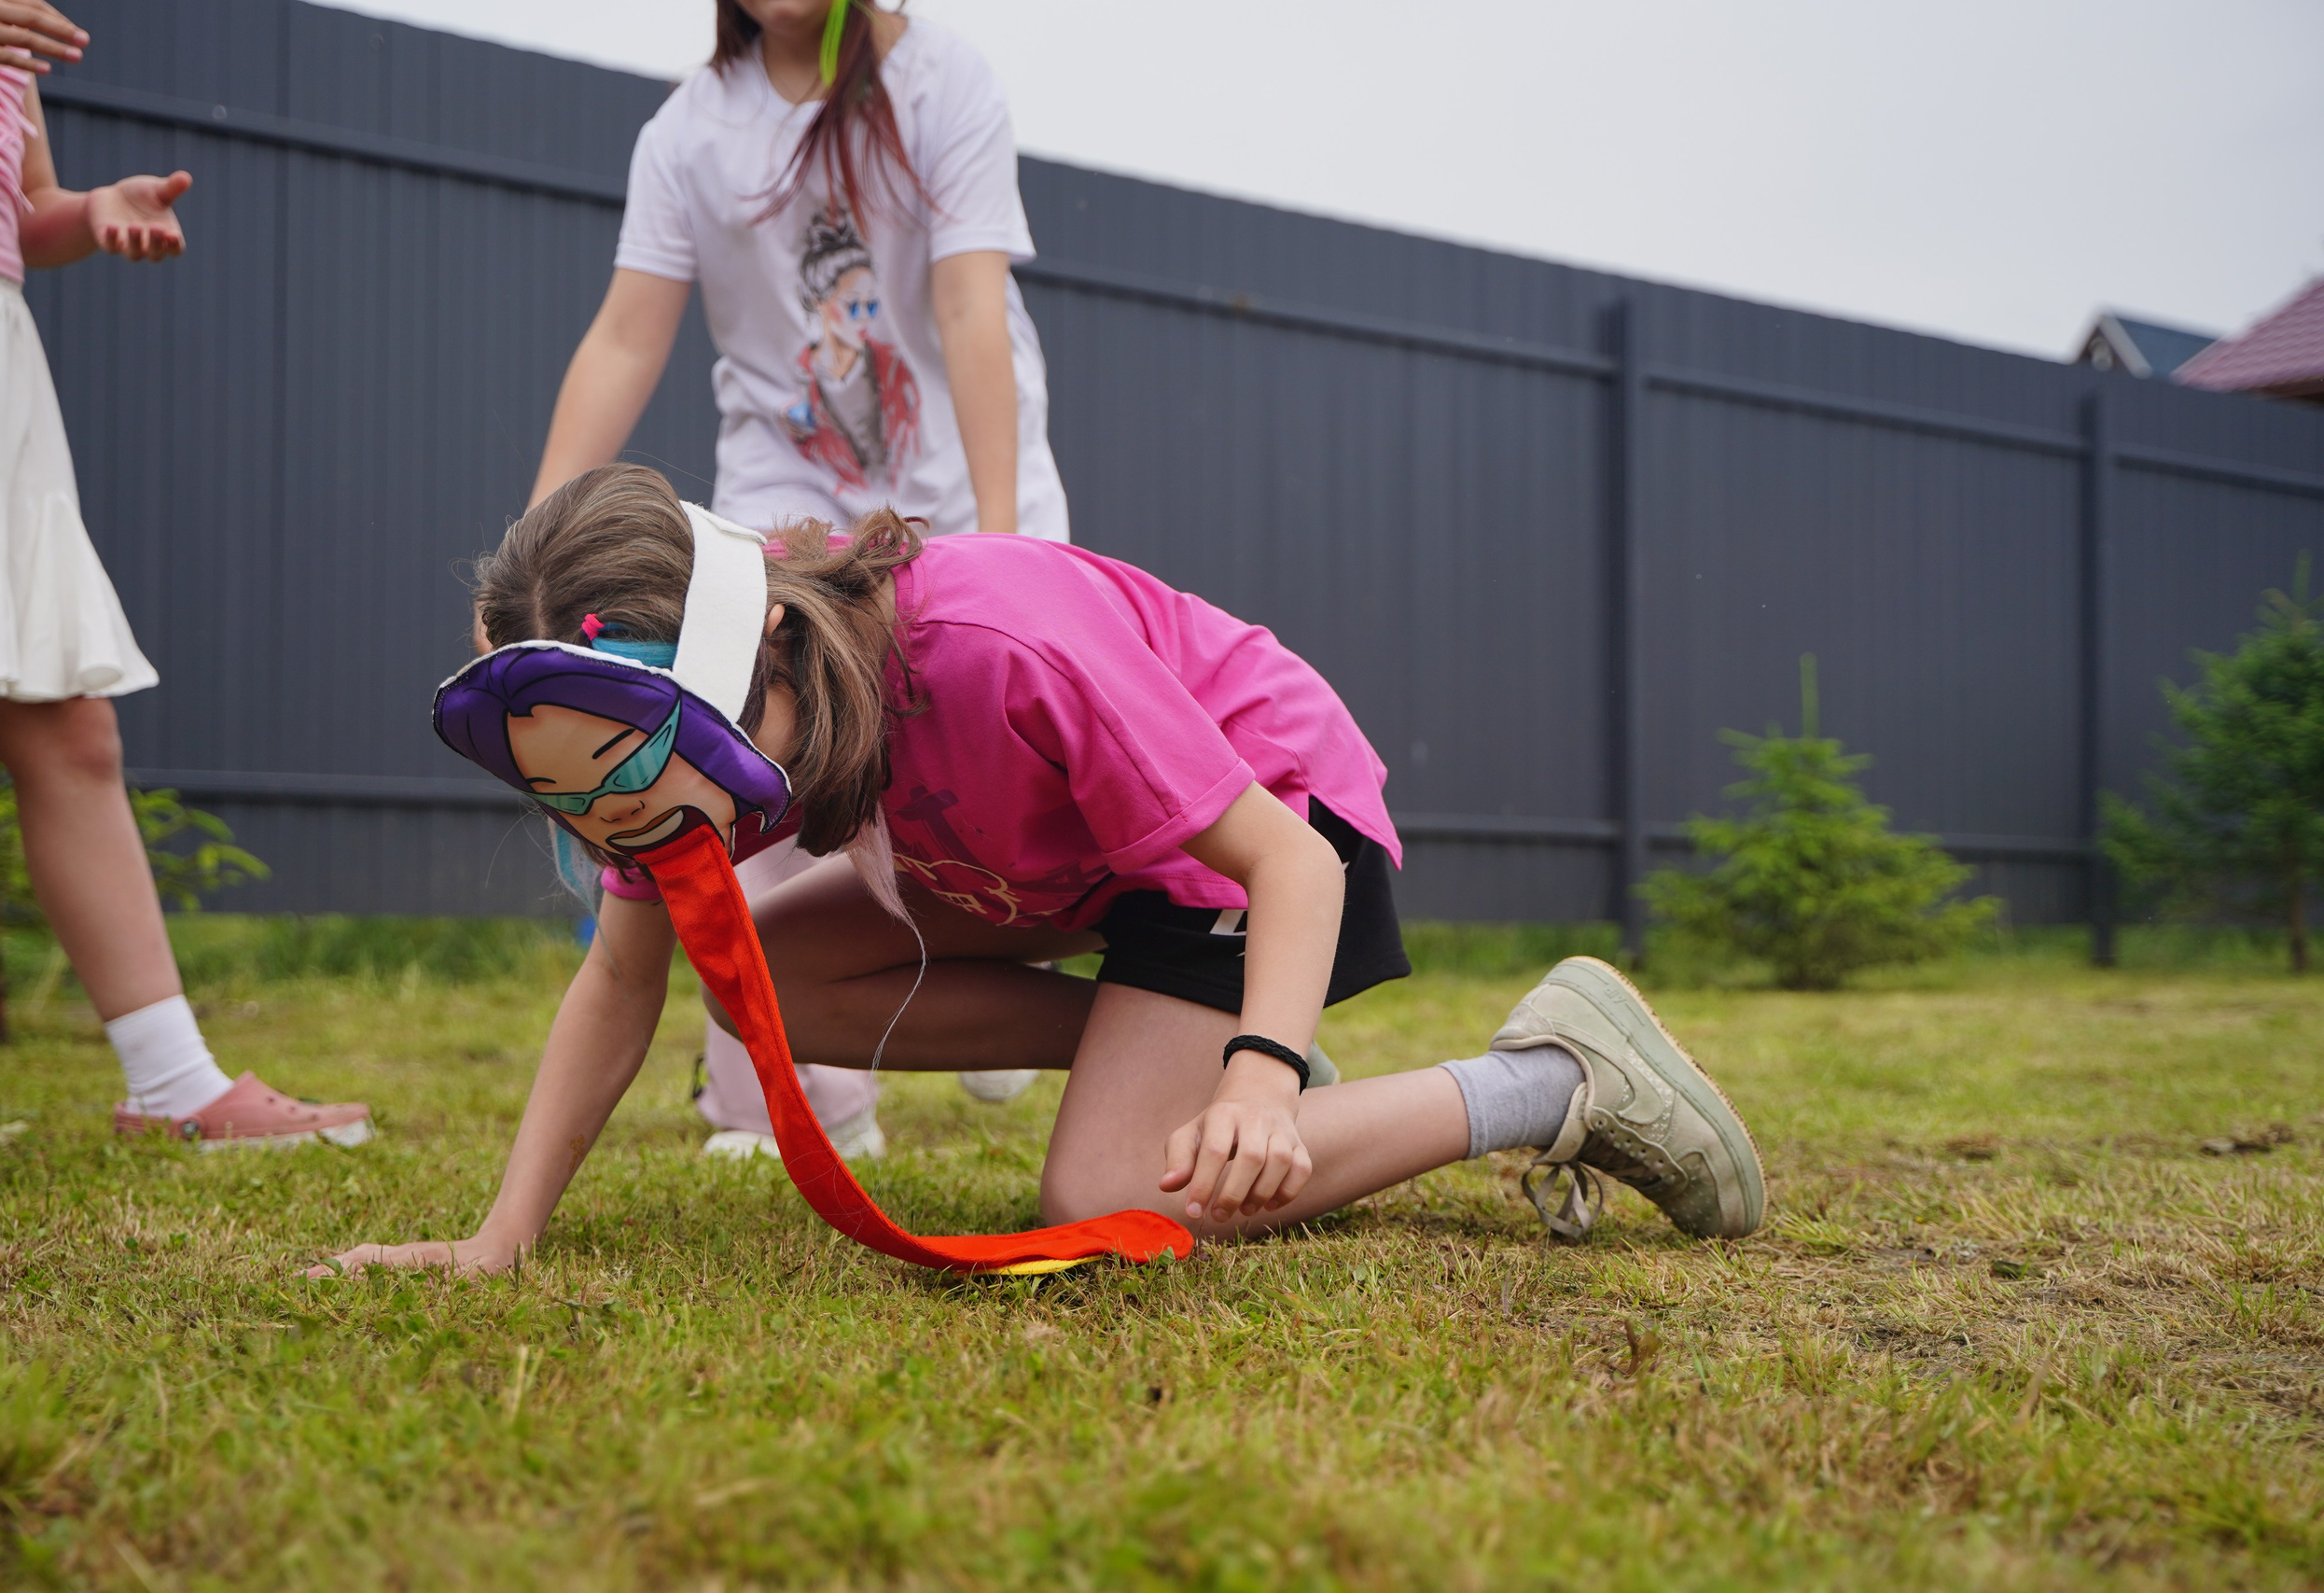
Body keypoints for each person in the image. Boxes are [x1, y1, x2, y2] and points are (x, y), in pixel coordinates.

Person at [323, 466, 1767, 1276]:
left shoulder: (993, 643)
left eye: (632, 769)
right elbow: (621, 978)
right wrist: (499, 1236)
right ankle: (1181, 1062)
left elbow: (1278, 856)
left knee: (1109, 1187)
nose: (609, 821)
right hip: (1060, 871)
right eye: (564, 795)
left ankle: (1554, 1075)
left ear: (749, 655)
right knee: (751, 980)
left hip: (1268, 832)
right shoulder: (673, 773)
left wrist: (1260, 1077)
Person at [527, 0, 1070, 1152]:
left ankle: (1013, 957)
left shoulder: (936, 82)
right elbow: (626, 336)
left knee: (984, 775)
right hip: (784, 504)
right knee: (756, 768)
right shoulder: (688, 133)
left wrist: (1006, 536)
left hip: (960, 492)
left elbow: (971, 301)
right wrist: (530, 559)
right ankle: (806, 1107)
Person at [0, 10, 370, 1145]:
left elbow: (16, 214)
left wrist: (90, 213)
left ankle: (172, 1080)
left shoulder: (2, 24)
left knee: (69, 729)